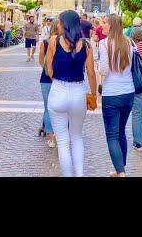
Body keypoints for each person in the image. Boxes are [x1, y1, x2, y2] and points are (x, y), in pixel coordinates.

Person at [45, 10, 97, 177]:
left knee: (62, 141)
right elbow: (91, 73)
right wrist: (93, 95)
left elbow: (48, 68)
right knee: (76, 137)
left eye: (59, 22)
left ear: (64, 24)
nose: (58, 25)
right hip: (78, 93)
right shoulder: (86, 45)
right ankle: (80, 175)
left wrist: (57, 80)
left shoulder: (54, 41)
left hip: (58, 90)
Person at [99, 14, 135, 177]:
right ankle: (120, 168)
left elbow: (104, 70)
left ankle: (121, 172)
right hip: (128, 92)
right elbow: (131, 66)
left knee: (112, 135)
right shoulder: (129, 42)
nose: (102, 25)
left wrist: (97, 67)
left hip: (112, 93)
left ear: (112, 26)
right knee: (121, 131)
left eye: (105, 23)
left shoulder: (104, 44)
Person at [38, 18, 59, 148]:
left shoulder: (45, 43)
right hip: (60, 79)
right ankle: (60, 133)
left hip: (45, 79)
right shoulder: (65, 43)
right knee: (61, 108)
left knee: (47, 108)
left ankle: (51, 137)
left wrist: (47, 69)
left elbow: (41, 61)